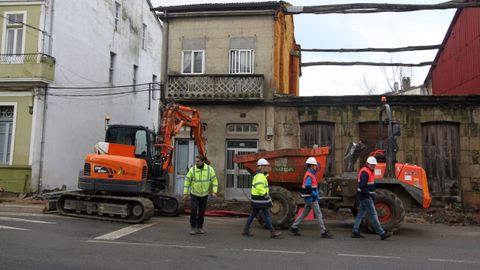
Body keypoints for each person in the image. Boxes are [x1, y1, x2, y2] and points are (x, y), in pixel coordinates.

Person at [289, 157, 333, 239]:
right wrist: (315, 195)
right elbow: (308, 187)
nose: (316, 167)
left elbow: (318, 168)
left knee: (304, 214)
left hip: (309, 199)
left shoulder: (311, 173)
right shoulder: (309, 175)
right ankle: (323, 232)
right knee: (319, 214)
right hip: (312, 199)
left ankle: (294, 227)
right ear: (311, 166)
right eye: (315, 165)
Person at [351, 156, 393, 240]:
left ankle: (355, 231)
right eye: (372, 165)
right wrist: (369, 194)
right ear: (367, 164)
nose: (373, 166)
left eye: (374, 165)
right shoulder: (365, 173)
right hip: (365, 197)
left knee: (361, 214)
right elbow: (362, 186)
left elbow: (366, 185)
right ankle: (382, 233)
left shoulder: (368, 171)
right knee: (373, 214)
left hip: (364, 196)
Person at [241, 158, 281, 238]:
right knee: (267, 215)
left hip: (257, 199)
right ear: (261, 167)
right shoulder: (260, 176)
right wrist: (265, 195)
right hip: (260, 199)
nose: (267, 167)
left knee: (253, 215)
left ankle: (246, 230)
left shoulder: (260, 175)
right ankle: (272, 232)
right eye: (266, 166)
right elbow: (259, 188)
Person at [183, 155, 218, 235]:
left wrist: (214, 192)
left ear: (203, 161)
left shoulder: (210, 169)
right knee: (194, 210)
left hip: (204, 194)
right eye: (196, 161)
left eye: (198, 161)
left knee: (202, 212)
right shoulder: (192, 170)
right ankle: (193, 227)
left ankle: (200, 227)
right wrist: (185, 193)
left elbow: (214, 181)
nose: (196, 163)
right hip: (194, 194)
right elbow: (187, 182)